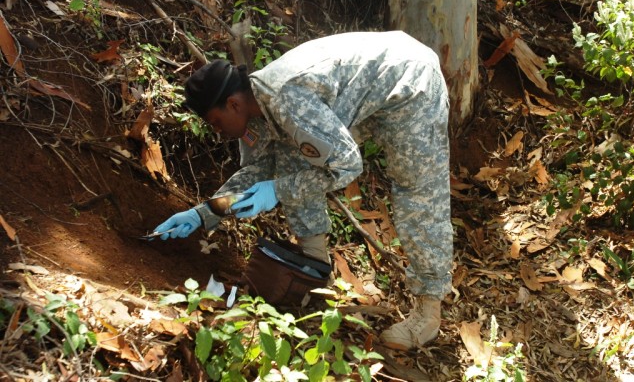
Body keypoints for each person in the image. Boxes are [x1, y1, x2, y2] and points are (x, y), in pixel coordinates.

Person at [153, 31, 453, 350]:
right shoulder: (254, 111)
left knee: (416, 192)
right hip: (365, 90)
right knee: (291, 160)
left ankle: (428, 313)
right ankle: (315, 268)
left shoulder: (286, 97)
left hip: (410, 79)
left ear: (233, 103)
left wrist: (279, 189)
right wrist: (206, 212)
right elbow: (259, 172)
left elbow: (346, 166)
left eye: (215, 122)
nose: (217, 132)